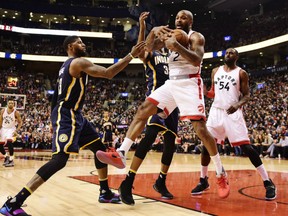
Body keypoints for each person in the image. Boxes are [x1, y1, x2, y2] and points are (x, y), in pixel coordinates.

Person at [0, 35, 145, 216]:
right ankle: (14, 203)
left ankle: (105, 192)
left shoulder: (65, 66)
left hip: (75, 116)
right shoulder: (78, 62)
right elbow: (108, 73)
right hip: (67, 114)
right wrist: (131, 56)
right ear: (70, 46)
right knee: (59, 160)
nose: (83, 44)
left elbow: (54, 98)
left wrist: (53, 119)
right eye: (79, 42)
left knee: (99, 148)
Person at [97, 10, 230, 199]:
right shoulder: (168, 35)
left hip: (190, 83)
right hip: (171, 83)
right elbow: (147, 48)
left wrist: (176, 46)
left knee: (200, 129)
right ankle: (121, 152)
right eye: (177, 17)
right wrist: (152, 31)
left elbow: (197, 59)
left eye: (183, 17)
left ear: (190, 21)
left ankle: (220, 173)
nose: (178, 19)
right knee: (143, 110)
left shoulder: (196, 37)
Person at [190, 48, 277, 201]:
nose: (227, 54)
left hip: (232, 113)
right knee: (206, 145)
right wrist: (205, 92)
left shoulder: (241, 73)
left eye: (231, 53)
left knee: (247, 148)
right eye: (226, 52)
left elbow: (247, 95)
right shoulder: (215, 71)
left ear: (236, 57)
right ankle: (203, 180)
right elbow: (213, 93)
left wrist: (237, 105)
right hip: (216, 112)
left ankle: (268, 182)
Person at [114, 12, 179, 205]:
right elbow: (141, 48)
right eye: (160, 35)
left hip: (173, 102)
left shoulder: (171, 54)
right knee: (149, 136)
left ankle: (161, 181)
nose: (162, 37)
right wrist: (143, 27)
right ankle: (128, 181)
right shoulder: (151, 55)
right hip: (156, 100)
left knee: (170, 143)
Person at [0, 100, 22, 167]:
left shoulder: (16, 112)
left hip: (11, 129)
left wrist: (16, 130)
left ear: (14, 104)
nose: (10, 104)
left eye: (12, 103)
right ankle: (6, 157)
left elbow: (20, 122)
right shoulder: (3, 111)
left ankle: (11, 159)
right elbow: (0, 120)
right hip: (3, 128)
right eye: (9, 103)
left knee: (9, 142)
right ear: (7, 104)